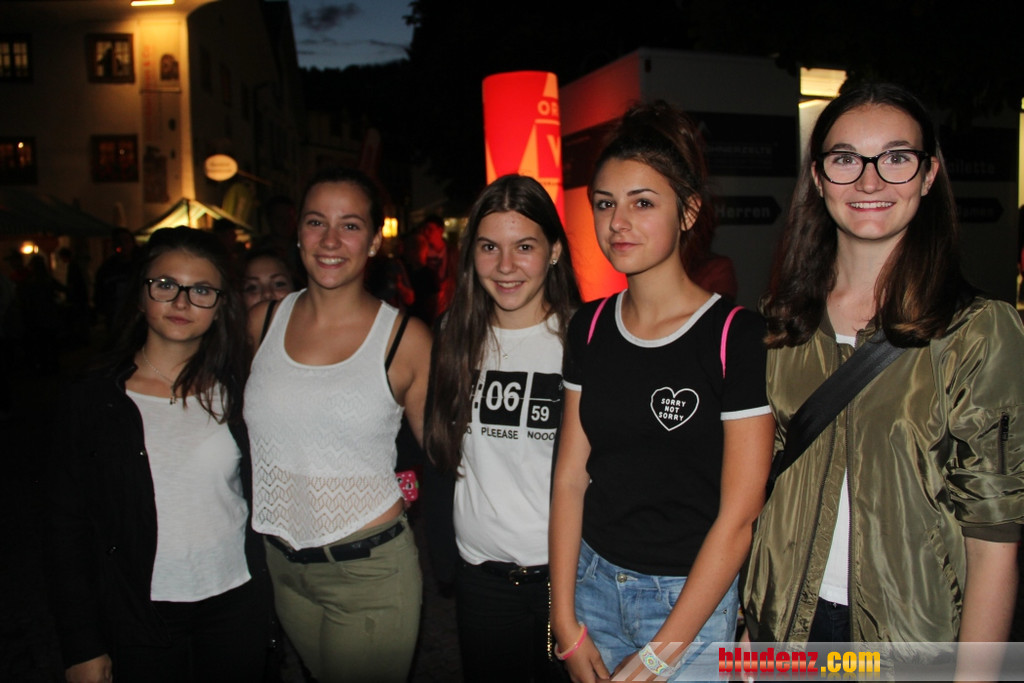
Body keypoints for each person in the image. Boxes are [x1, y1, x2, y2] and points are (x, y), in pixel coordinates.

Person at [744, 83, 1024, 655]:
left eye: (896, 158)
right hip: (785, 631)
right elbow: (760, 490)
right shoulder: (779, 324)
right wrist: (751, 627)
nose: (869, 182)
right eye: (846, 159)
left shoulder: (979, 331)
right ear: (818, 177)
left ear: (929, 175)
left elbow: (994, 536)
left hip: (910, 644)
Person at [548, 101, 774, 682]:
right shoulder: (589, 327)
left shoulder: (735, 336)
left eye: (642, 203)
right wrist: (563, 618)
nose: (618, 222)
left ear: (688, 211)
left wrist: (662, 652)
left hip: (690, 601)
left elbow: (740, 516)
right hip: (593, 585)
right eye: (605, 203)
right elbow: (570, 478)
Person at [48, 226, 272, 683]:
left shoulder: (241, 391)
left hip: (235, 602)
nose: (182, 302)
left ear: (220, 306)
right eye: (166, 285)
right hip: (138, 612)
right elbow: (65, 528)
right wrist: (82, 646)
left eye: (202, 290)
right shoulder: (94, 399)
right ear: (140, 296)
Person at [245, 167, 432, 683]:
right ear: (298, 233)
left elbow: (447, 453)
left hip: (368, 572)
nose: (330, 240)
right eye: (315, 222)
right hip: (283, 570)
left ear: (374, 241)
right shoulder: (260, 324)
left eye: (350, 225)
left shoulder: (406, 339)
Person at [424, 175, 581, 682]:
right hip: (482, 580)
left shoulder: (584, 338)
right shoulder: (453, 334)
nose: (505, 265)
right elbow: (440, 451)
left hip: (571, 579)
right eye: (489, 247)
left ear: (554, 251)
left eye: (524, 247)